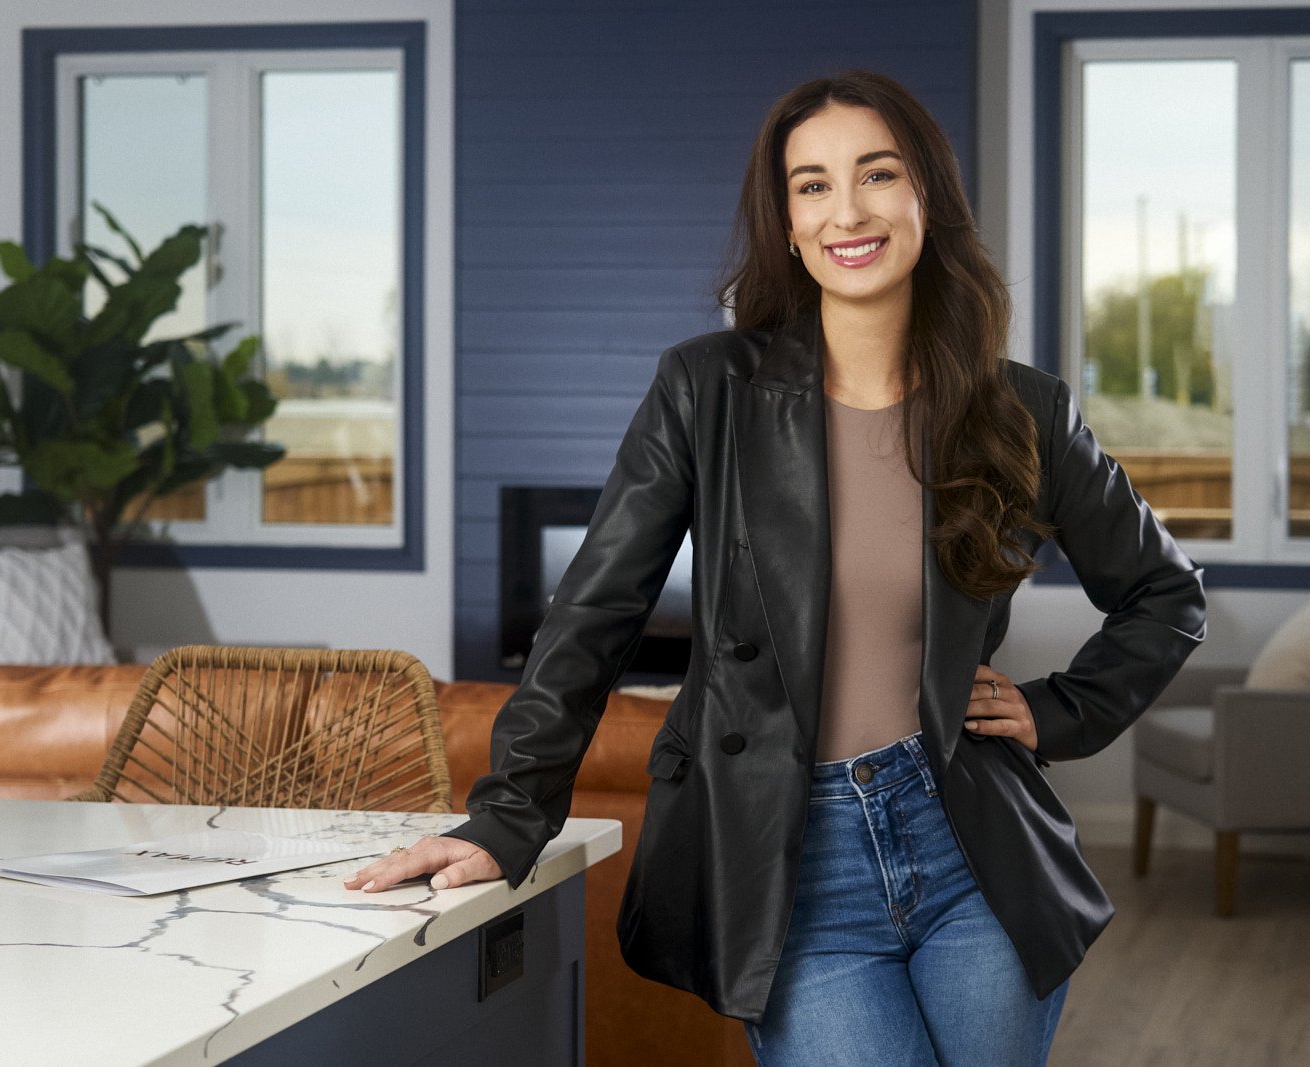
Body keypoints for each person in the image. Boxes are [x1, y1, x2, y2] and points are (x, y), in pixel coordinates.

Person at [346, 70, 1206, 1065]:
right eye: (811, 185)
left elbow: (1164, 592)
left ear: (927, 196)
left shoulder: (1022, 409)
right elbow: (591, 614)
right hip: (791, 862)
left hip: (974, 847)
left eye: (877, 174)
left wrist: (1059, 711)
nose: (847, 209)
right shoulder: (706, 389)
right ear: (788, 224)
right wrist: (506, 818)